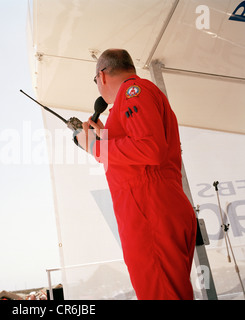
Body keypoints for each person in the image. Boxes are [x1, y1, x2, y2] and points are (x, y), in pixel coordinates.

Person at [76, 49, 197, 300]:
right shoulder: (136, 97)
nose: (98, 86)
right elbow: (139, 154)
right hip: (154, 208)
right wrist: (104, 137)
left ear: (102, 76)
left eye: (95, 81)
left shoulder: (133, 93)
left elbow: (149, 148)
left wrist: (93, 146)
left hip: (150, 211)